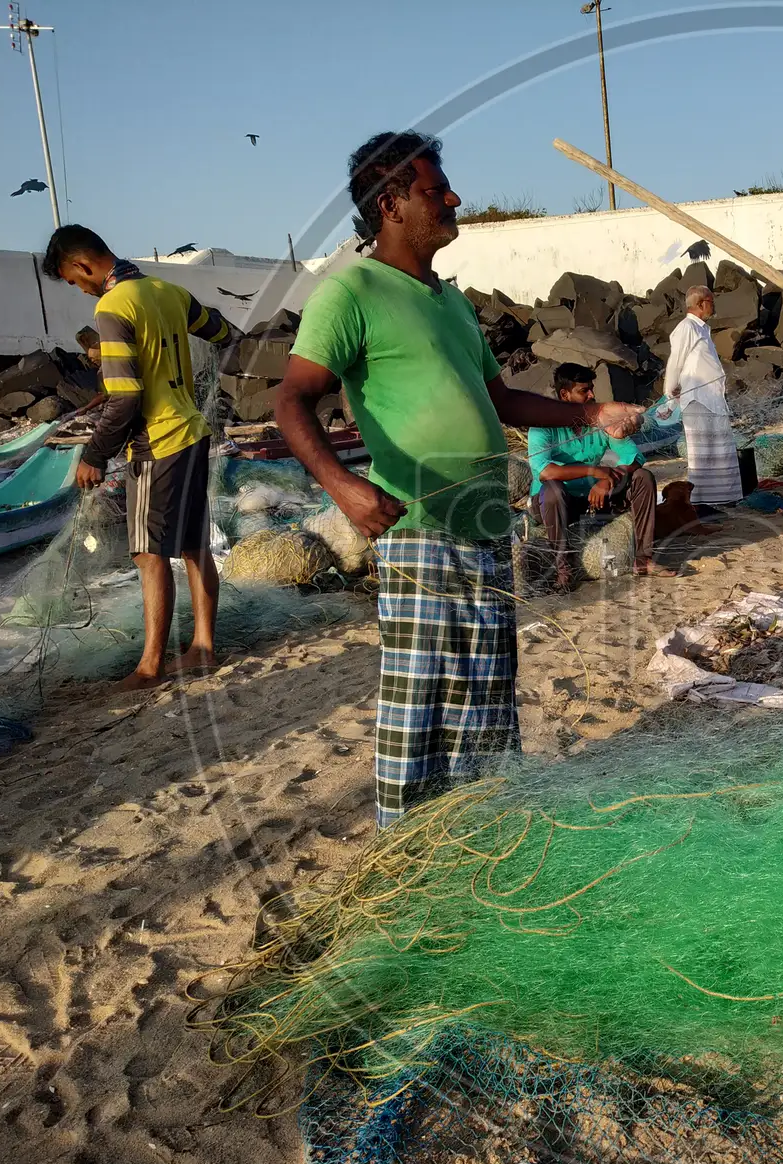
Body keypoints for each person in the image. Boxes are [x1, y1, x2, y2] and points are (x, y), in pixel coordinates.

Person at [271, 132, 643, 827]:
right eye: (434, 190)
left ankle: (478, 834)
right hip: (419, 529)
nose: (454, 198)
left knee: (486, 700)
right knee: (420, 705)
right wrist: (343, 487)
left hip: (483, 528)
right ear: (390, 204)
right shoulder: (349, 292)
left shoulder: (451, 302)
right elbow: (291, 400)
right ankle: (407, 850)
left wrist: (592, 409)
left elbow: (500, 401)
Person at [42, 224, 236, 690]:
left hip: (156, 443)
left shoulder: (111, 307)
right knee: (193, 546)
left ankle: (150, 666)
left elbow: (127, 399)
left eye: (74, 279)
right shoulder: (168, 291)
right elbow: (222, 331)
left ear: (83, 264)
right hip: (192, 431)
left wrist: (94, 454)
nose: (80, 288)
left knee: (149, 554)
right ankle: (203, 648)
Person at [529, 362, 671, 590]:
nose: (592, 395)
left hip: (590, 496)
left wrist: (607, 480)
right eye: (584, 391)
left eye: (592, 388)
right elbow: (546, 471)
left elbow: (634, 457)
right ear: (565, 394)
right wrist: (594, 471)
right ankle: (562, 570)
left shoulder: (600, 420)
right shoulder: (542, 426)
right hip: (551, 501)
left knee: (642, 477)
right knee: (554, 489)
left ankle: (644, 559)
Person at [663, 286, 742, 509]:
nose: (713, 305)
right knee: (702, 452)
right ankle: (700, 502)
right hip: (697, 399)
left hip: (711, 399)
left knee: (720, 448)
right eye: (710, 301)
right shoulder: (686, 327)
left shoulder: (702, 329)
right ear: (700, 304)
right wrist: (670, 394)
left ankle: (721, 498)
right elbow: (675, 362)